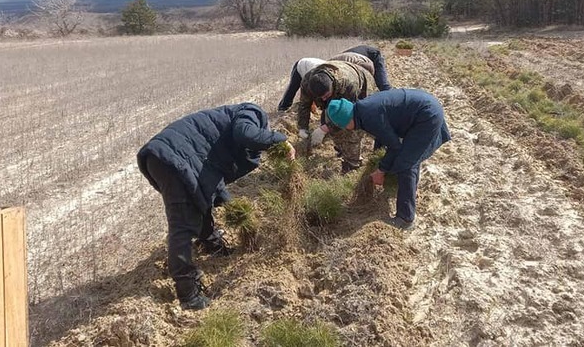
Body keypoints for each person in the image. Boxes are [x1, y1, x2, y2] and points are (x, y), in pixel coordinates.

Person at [137, 103, 294, 310]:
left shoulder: (217, 140)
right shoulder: (251, 112)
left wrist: (238, 213)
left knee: (198, 200)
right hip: (172, 157)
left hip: (170, 156)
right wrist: (282, 141)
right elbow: (245, 134)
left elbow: (213, 185)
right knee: (182, 223)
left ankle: (210, 242)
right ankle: (188, 293)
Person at [325, 89, 451, 229]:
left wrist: (381, 171)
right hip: (426, 104)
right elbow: (382, 135)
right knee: (411, 155)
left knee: (406, 163)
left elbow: (395, 146)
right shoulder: (362, 109)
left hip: (426, 115)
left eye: (343, 126)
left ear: (346, 120)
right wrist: (377, 159)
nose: (346, 129)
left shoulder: (369, 116)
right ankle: (411, 191)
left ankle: (405, 219)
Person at [298, 60, 376, 173]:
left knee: (353, 127)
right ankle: (340, 148)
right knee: (331, 119)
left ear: (332, 87)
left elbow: (350, 115)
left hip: (362, 84)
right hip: (337, 90)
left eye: (326, 96)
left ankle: (352, 163)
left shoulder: (348, 84)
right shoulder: (307, 83)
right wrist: (302, 127)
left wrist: (325, 128)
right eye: (320, 98)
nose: (324, 99)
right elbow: (304, 104)